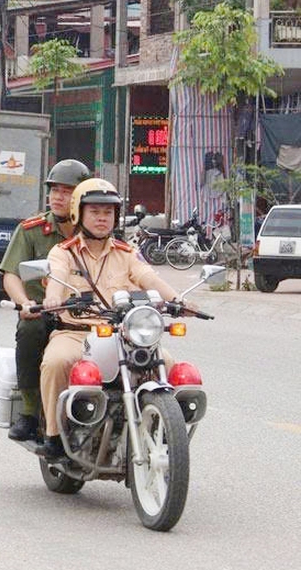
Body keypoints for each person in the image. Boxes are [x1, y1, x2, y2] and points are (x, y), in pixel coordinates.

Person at [38, 178, 195, 460]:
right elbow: (57, 277)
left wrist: (178, 301)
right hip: (76, 333)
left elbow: (149, 277)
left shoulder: (127, 253)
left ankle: (168, 432)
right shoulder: (63, 252)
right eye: (95, 211)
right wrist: (53, 296)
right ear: (79, 214)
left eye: (108, 212)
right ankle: (53, 436)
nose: (102, 218)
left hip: (123, 334)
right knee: (56, 362)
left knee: (168, 363)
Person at [0, 159, 91, 441]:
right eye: (54, 191)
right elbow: (11, 274)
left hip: (88, 314)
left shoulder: (96, 230)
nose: (58, 197)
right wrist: (24, 302)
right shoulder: (32, 230)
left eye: (67, 191)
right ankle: (29, 411)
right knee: (29, 331)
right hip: (44, 313)